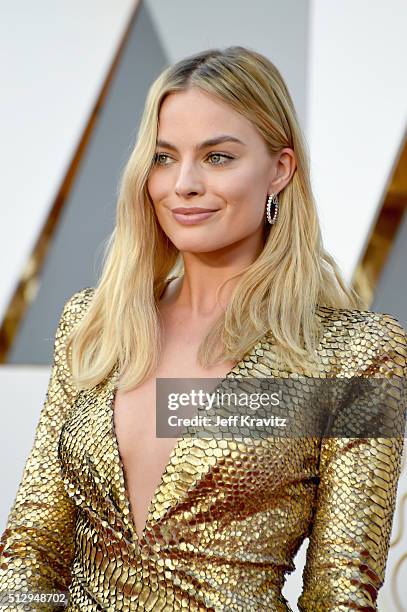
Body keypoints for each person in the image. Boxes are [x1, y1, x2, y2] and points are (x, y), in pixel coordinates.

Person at [0, 45, 406, 612]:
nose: (183, 183)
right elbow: (31, 549)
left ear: (280, 169)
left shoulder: (357, 355)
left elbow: (341, 593)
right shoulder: (95, 324)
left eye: (217, 157)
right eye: (164, 157)